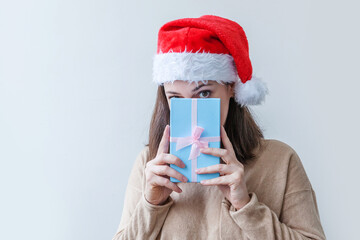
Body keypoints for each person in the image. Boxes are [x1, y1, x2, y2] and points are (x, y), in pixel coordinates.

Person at [112, 15, 326, 240]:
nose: (191, 110)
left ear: (231, 87)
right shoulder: (150, 164)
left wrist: (245, 206)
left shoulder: (281, 161)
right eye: (176, 98)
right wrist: (151, 204)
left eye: (204, 93)